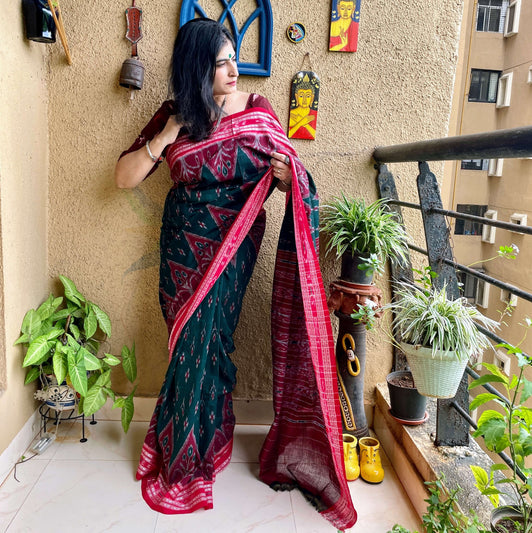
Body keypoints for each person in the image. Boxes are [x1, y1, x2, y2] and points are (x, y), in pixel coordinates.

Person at [115, 18, 356, 530]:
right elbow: (123, 177)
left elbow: (296, 176)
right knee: (187, 347)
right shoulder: (176, 114)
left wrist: (294, 181)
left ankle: (200, 452)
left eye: (234, 58)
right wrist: (168, 135)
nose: (232, 69)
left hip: (233, 247)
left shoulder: (259, 110)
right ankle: (185, 445)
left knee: (211, 340)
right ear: (196, 67)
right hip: (182, 250)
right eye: (220, 61)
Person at [288, 74, 318, 139]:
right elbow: (290, 133)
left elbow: (313, 134)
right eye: (301, 96)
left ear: (312, 98)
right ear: (296, 96)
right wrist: (301, 122)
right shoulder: (292, 114)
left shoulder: (313, 114)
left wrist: (304, 124)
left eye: (308, 96)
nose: (304, 100)